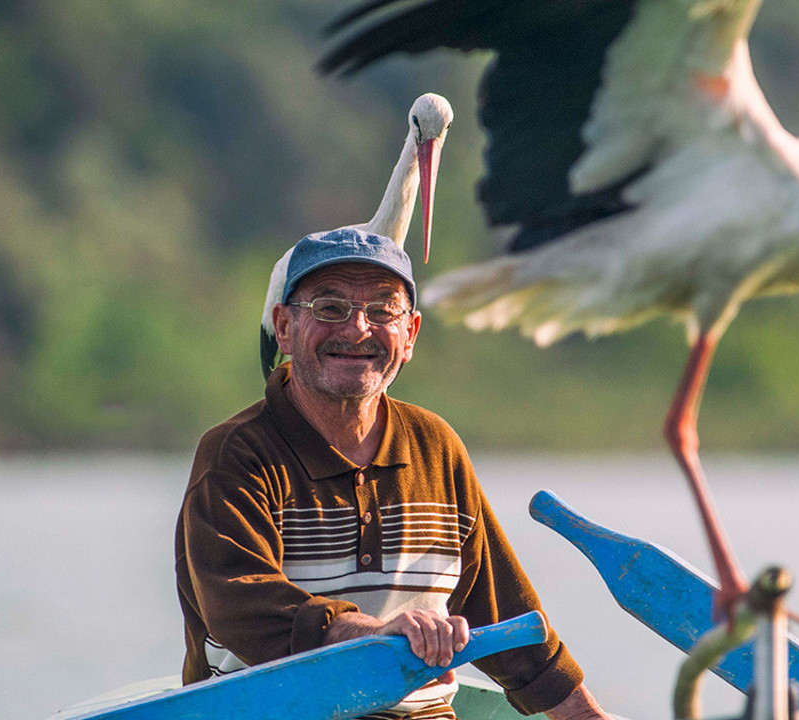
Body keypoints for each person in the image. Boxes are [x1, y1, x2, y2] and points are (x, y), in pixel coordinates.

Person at [175, 228, 611, 719]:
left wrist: (586, 716)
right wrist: (370, 635)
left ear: (410, 335)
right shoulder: (237, 453)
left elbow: (504, 614)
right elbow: (241, 606)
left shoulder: (435, 446)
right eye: (329, 308)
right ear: (284, 326)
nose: (357, 329)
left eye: (382, 311)